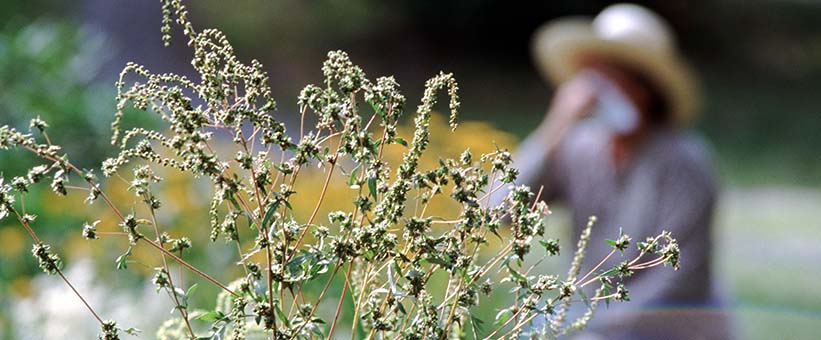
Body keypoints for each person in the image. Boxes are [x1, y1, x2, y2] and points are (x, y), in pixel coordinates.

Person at [494, 4, 734, 339]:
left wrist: (588, 323)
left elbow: (680, 278)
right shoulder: (577, 147)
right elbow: (497, 214)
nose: (600, 89)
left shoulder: (685, 162)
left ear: (646, 88)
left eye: (613, 76)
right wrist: (555, 127)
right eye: (593, 77)